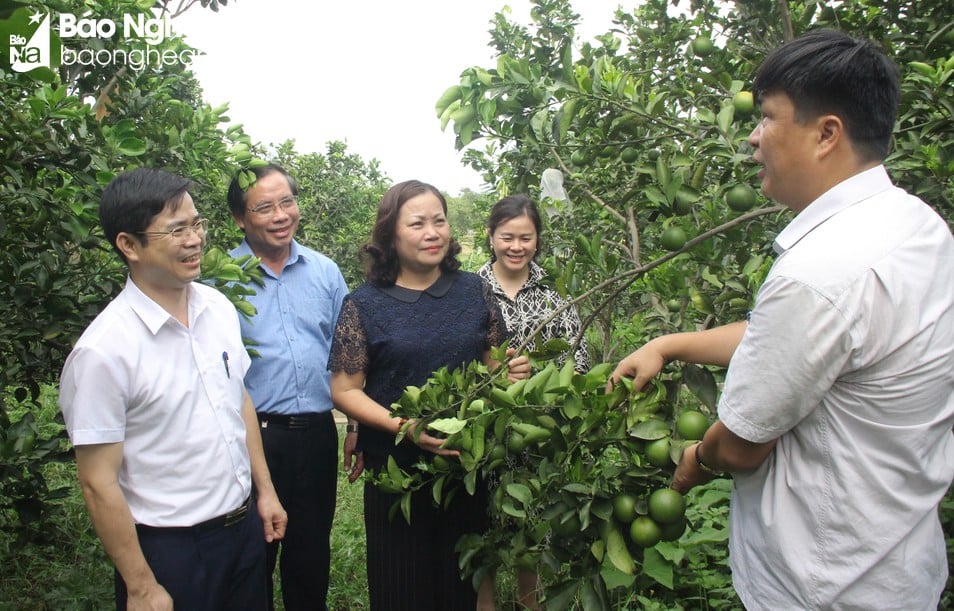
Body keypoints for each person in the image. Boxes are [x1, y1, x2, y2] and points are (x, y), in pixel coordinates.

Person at [609, 30, 954, 610]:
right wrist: (671, 344)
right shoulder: (917, 227)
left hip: (822, 584)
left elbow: (742, 447)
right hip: (894, 565)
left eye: (767, 118)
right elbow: (802, 344)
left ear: (826, 134)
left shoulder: (819, 273)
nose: (752, 135)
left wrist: (694, 461)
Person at [58, 168, 287, 610]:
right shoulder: (103, 352)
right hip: (170, 550)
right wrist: (142, 587)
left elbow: (237, 400)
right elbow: (97, 482)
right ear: (129, 245)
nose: (195, 239)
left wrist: (266, 491)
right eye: (176, 229)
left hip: (241, 533)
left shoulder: (217, 308)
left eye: (197, 224)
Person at [329, 179, 530, 610]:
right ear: (390, 235)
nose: (432, 232)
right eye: (417, 223)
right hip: (396, 470)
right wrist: (404, 427)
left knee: (460, 588)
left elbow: (495, 366)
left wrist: (513, 373)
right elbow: (344, 389)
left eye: (438, 221)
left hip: (465, 467)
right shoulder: (364, 304)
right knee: (401, 588)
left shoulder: (473, 292)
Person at [226, 164, 352, 610]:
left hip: (317, 433)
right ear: (241, 218)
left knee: (310, 555)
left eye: (287, 203)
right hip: (251, 437)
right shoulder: (220, 280)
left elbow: (347, 354)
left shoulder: (324, 271)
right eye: (264, 207)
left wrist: (353, 423)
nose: (281, 215)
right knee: (252, 556)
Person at [475, 194, 590, 609]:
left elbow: (576, 359)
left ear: (537, 240)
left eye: (526, 238)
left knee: (533, 530)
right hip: (486, 434)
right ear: (491, 237)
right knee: (483, 530)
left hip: (539, 432)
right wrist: (492, 373)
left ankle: (531, 603)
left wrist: (542, 384)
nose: (516, 246)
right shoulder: (471, 289)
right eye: (507, 237)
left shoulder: (552, 292)